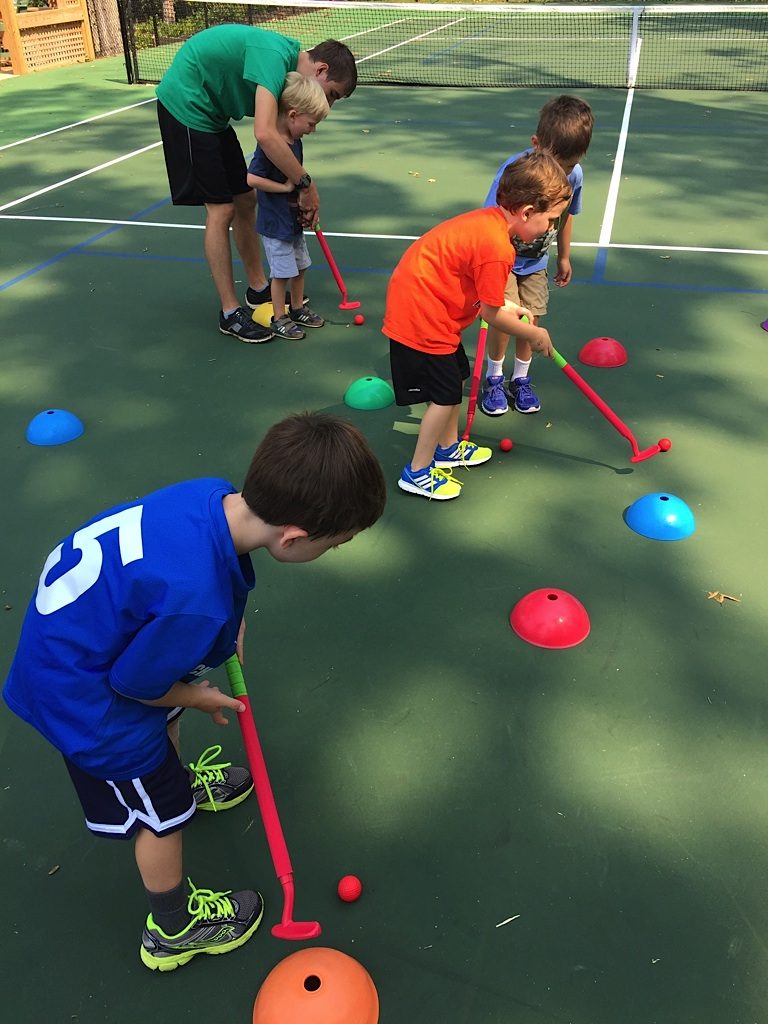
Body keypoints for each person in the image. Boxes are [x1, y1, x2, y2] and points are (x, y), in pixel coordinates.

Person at [2, 413, 386, 971]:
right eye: (333, 544)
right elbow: (134, 684)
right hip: (88, 699)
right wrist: (198, 696)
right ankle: (174, 927)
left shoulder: (213, 496)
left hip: (82, 645)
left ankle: (175, 777)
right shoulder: (196, 603)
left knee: (165, 726)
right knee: (163, 814)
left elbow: (190, 594)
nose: (331, 551)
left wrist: (224, 635)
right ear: (295, 538)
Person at [382, 151, 571, 501]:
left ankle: (447, 448)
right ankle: (418, 471)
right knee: (443, 396)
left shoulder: (491, 224)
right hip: (422, 314)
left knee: (454, 378)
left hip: (431, 307)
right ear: (527, 212)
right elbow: (490, 314)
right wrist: (534, 333)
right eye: (551, 220)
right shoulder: (498, 246)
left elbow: (489, 296)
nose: (551, 229)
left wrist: (511, 305)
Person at [155, 26, 357, 343]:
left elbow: (280, 137)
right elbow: (264, 133)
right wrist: (305, 184)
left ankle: (258, 288)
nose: (328, 105)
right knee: (221, 208)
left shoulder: (289, 77)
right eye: (331, 94)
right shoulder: (275, 58)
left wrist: (298, 183)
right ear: (321, 69)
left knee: (245, 199)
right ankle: (230, 312)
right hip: (188, 105)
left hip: (213, 114)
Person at [480, 95, 594, 417]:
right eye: (558, 165)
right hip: (502, 261)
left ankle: (521, 378)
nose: (563, 173)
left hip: (536, 262)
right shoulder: (513, 173)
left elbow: (566, 215)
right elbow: (491, 221)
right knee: (506, 321)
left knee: (532, 315)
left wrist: (564, 257)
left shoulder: (574, 176)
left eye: (569, 166)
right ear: (536, 144)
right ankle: (494, 377)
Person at [246, 73, 328, 340]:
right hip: (275, 223)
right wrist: (283, 188)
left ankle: (296, 308)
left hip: (292, 221)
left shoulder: (296, 143)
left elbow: (299, 180)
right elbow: (252, 178)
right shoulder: (270, 147)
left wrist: (304, 209)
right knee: (282, 273)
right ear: (293, 115)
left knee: (301, 264)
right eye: (311, 124)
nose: (312, 130)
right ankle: (279, 317)